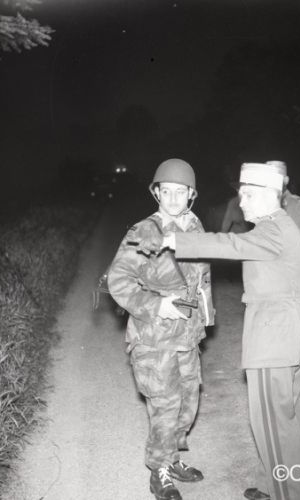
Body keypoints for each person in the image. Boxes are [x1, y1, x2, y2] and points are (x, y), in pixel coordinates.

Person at [140, 161, 300, 500]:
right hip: (293, 335)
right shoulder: (283, 225)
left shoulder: (271, 230)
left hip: (274, 340)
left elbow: (230, 244)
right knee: (285, 425)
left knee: (273, 429)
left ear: (268, 195)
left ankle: (290, 495)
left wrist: (174, 239)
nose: (241, 203)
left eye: (247, 195)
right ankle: (276, 486)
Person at [107, 158, 214, 500]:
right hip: (154, 338)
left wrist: (205, 318)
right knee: (165, 407)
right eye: (166, 191)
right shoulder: (144, 232)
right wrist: (156, 305)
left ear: (191, 194)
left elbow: (202, 278)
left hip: (187, 335)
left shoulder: (195, 227)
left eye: (180, 192)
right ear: (156, 193)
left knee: (188, 403)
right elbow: (118, 281)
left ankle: (173, 458)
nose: (172, 199)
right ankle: (159, 472)